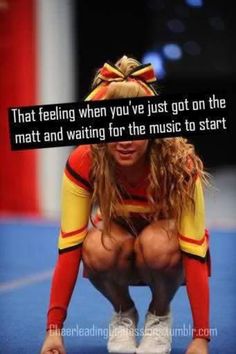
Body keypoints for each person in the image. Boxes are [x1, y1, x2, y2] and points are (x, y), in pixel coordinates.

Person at [40, 55, 211, 354]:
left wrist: (200, 337)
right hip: (119, 249)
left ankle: (159, 314)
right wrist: (53, 330)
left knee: (156, 243)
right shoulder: (85, 160)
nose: (124, 139)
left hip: (166, 257)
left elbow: (195, 251)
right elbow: (68, 249)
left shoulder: (179, 165)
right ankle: (124, 312)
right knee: (94, 245)